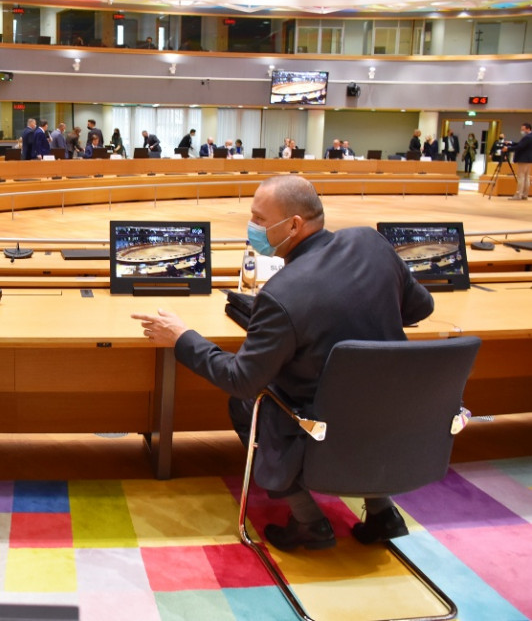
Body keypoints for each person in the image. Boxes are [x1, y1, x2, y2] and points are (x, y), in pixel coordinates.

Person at [132, 174, 433, 552]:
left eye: (259, 219)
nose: (252, 227)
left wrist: (182, 338)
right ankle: (381, 511)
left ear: (293, 225)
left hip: (322, 428)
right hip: (397, 421)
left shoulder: (283, 293)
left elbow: (241, 378)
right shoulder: (371, 242)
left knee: (244, 404)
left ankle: (309, 521)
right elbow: (422, 306)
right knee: (362, 397)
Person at [508, 122, 532, 201]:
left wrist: (508, 149)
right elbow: (521, 144)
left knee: (521, 177)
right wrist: (511, 143)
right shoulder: (530, 137)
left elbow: (520, 146)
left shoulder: (527, 137)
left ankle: (518, 194)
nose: (521, 131)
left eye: (523, 129)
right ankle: (525, 194)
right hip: (529, 159)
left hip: (523, 159)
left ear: (528, 129)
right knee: (526, 177)